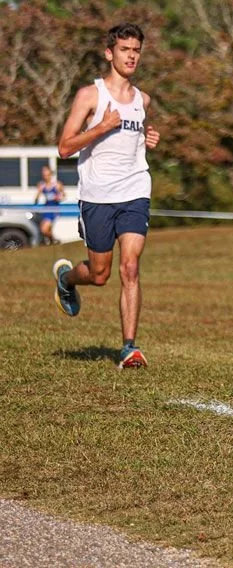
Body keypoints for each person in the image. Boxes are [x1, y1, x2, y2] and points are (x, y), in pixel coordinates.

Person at [52, 23, 160, 370]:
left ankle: (129, 347)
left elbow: (138, 136)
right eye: (125, 49)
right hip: (97, 195)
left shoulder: (143, 100)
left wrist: (150, 139)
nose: (131, 56)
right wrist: (100, 127)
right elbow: (65, 147)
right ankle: (67, 280)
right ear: (109, 53)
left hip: (134, 190)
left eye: (136, 50)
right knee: (100, 274)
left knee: (130, 267)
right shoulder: (90, 95)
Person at [34, 164, 64, 245]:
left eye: (46, 174)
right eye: (43, 174)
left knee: (44, 230)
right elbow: (36, 198)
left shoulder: (57, 185)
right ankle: (53, 244)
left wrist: (58, 197)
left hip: (54, 210)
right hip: (46, 209)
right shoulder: (41, 185)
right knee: (45, 230)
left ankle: (56, 241)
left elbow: (63, 195)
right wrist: (36, 199)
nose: (45, 176)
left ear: (50, 174)